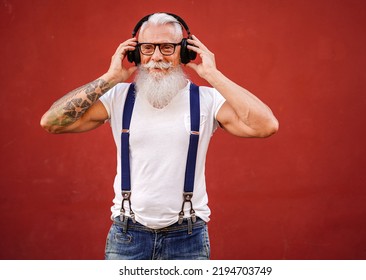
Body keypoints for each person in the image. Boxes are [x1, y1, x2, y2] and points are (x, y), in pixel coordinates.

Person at [40, 12, 278, 260]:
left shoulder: (207, 100)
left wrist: (213, 75)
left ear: (184, 52)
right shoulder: (118, 97)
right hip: (127, 237)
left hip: (188, 238)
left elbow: (266, 125)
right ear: (134, 53)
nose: (156, 56)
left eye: (167, 47)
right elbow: (52, 122)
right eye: (147, 48)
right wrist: (110, 78)